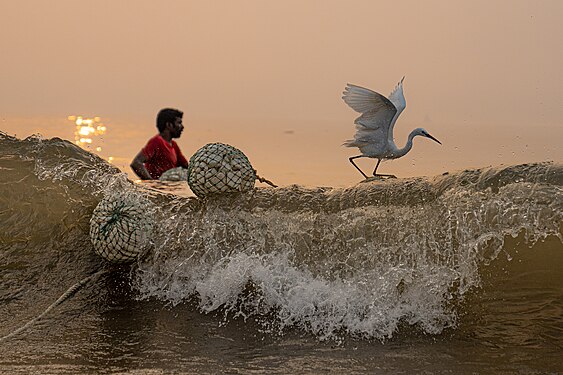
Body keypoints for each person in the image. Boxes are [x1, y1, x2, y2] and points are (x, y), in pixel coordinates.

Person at [130, 108, 189, 180]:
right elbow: (136, 163)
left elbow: (186, 166)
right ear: (169, 125)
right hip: (158, 189)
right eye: (179, 123)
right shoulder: (156, 142)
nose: (182, 127)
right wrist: (151, 182)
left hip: (170, 189)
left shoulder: (173, 145)